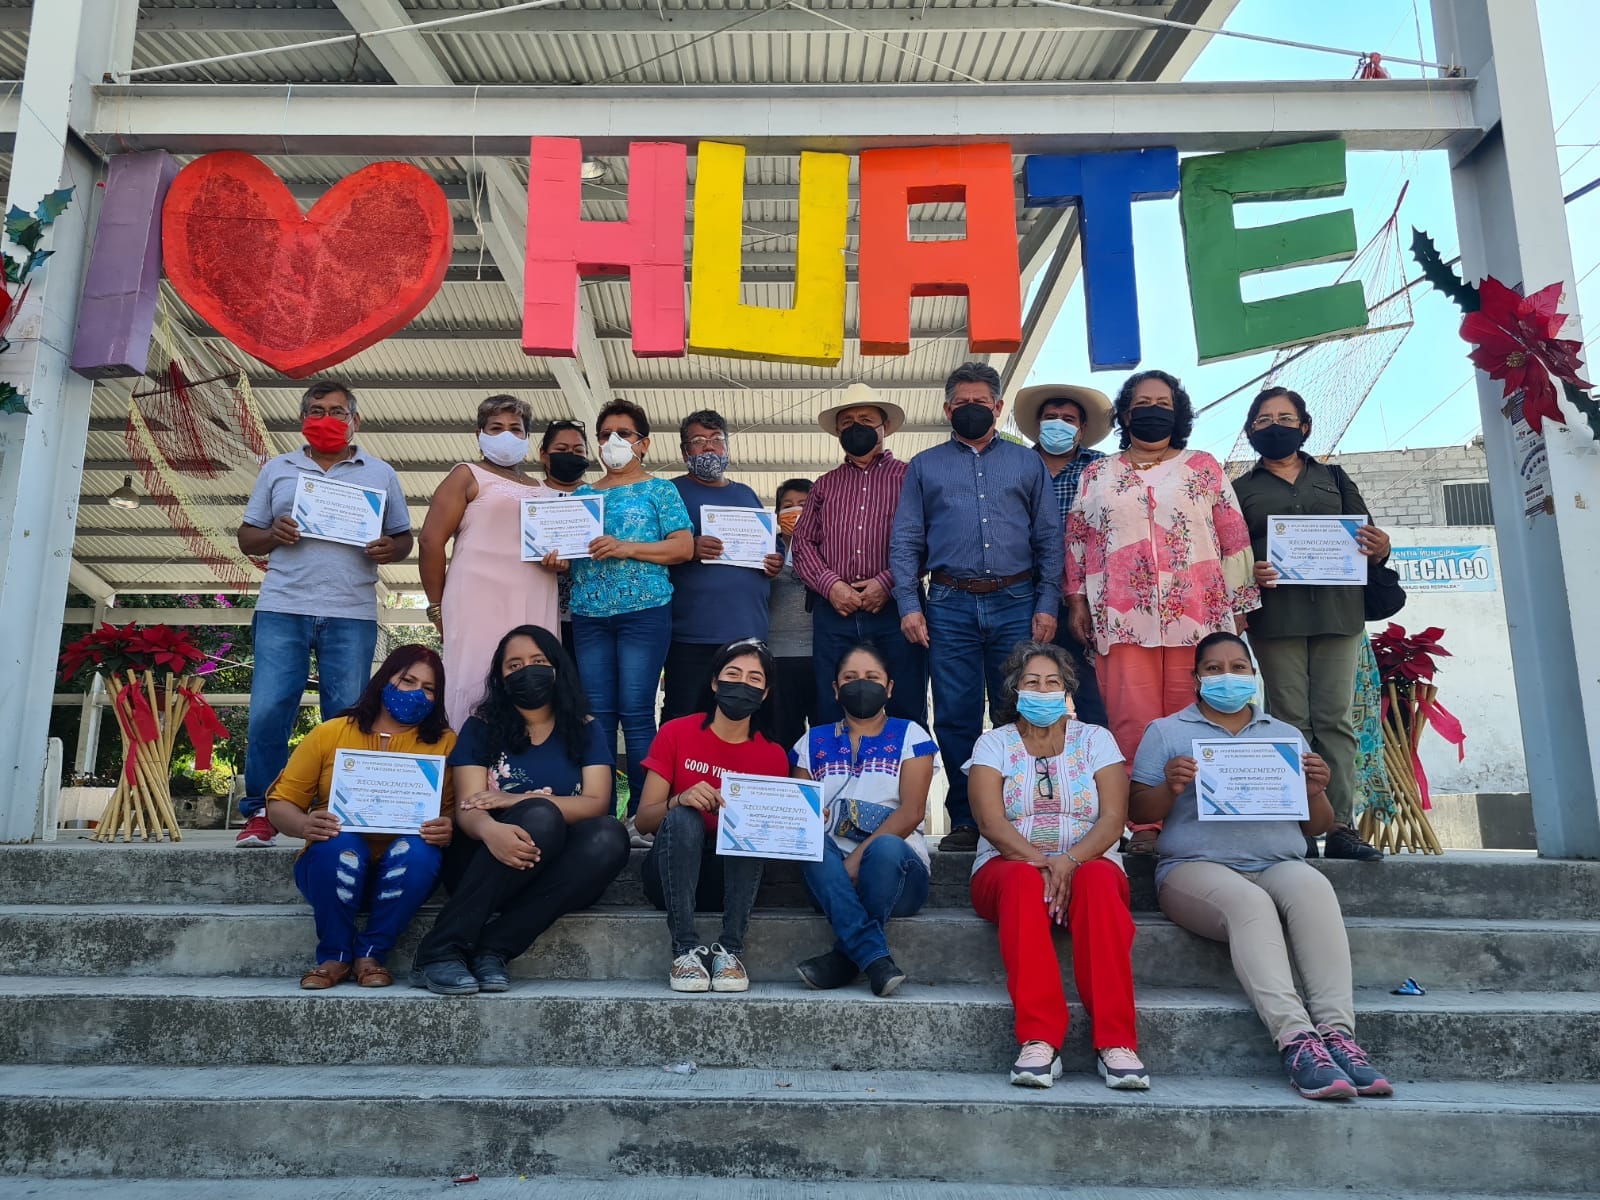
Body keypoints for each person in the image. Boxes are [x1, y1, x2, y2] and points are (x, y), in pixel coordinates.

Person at [1129, 632, 1393, 1101]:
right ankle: (1296, 1041)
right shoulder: (1167, 732)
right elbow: (1137, 809)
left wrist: (1317, 788)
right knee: (1250, 905)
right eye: (1213, 669)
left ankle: (1339, 1037)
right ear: (1195, 679)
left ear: (1254, 675)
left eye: (1238, 667)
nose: (1227, 677)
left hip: (1277, 860)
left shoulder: (1284, 735)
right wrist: (1169, 788)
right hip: (1196, 867)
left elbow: (1317, 826)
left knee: (1314, 890)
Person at [1065, 369, 1259, 852]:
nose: (1154, 410)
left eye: (1164, 403)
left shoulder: (1205, 467)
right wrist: (1076, 602)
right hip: (1121, 616)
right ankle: (1145, 827)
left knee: (1196, 716)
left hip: (1200, 614)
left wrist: (1239, 609)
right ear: (1126, 414)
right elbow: (1075, 542)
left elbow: (1234, 539)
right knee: (1133, 722)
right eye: (1143, 402)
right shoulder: (1097, 473)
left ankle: (1203, 819)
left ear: (1179, 412)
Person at [890, 362, 1063, 851]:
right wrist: (910, 603)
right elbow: (905, 541)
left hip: (1017, 600)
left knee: (1019, 709)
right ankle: (967, 818)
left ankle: (1019, 811)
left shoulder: (1027, 464)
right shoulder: (924, 466)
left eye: (980, 403)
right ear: (947, 409)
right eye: (961, 404)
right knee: (955, 713)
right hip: (948, 602)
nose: (970, 410)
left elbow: (1049, 538)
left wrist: (1047, 601)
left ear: (998, 408)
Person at [234, 380, 413, 848]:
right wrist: (274, 532)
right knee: (270, 712)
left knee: (348, 716)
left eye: (337, 411)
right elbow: (247, 538)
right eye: (317, 410)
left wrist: (387, 547)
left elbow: (404, 538)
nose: (326, 419)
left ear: (356, 419)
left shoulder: (380, 472)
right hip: (282, 606)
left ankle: (338, 812)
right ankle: (261, 811)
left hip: (351, 610)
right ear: (302, 419)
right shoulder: (278, 468)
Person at [411, 625, 629, 995]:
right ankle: (440, 950)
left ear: (557, 668)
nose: (526, 670)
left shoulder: (584, 728)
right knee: (540, 817)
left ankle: (494, 948)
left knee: (611, 837)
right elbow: (469, 806)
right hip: (486, 858)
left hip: (555, 868)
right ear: (500, 677)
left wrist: (515, 799)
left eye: (538, 661)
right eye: (514, 665)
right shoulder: (481, 727)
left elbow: (597, 804)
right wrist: (490, 831)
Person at [966, 641, 1146, 1090]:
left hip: (1088, 862)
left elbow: (1112, 819)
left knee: (1101, 881)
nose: (1043, 690)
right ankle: (1039, 1039)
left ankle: (1116, 1043)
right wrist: (1043, 863)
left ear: (1067, 689)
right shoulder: (994, 743)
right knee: (1025, 882)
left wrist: (1069, 861)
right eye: (1032, 682)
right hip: (1008, 868)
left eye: (1052, 682)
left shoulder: (1095, 739)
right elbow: (990, 821)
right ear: (1015, 690)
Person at [1231, 387, 1388, 862]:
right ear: (1250, 431)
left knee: (1336, 721)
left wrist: (1380, 546)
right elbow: (1232, 554)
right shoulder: (1239, 490)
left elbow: (1369, 538)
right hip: (1275, 618)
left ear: (1304, 426)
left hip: (1339, 613)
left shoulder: (1335, 479)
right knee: (1288, 721)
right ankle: (1298, 827)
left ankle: (1340, 826)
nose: (1274, 425)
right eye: (1262, 419)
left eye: (1285, 417)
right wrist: (1253, 567)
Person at [264, 644, 456, 989]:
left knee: (421, 850)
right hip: (329, 870)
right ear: (384, 681)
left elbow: (456, 811)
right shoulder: (330, 733)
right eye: (407, 681)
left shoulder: (444, 743)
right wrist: (305, 824)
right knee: (339, 842)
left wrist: (449, 827)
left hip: (403, 877)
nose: (417, 693)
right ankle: (334, 957)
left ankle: (370, 953)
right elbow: (281, 804)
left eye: (429, 688)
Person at [564, 399, 694, 837]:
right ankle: (599, 811)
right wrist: (553, 558)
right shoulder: (580, 496)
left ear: (645, 444)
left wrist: (626, 547)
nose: (613, 442)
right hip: (588, 614)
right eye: (605, 435)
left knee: (637, 712)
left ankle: (644, 814)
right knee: (598, 713)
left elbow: (682, 548)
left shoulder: (661, 491)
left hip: (645, 612)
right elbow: (566, 554)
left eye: (624, 434)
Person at [634, 639, 789, 993]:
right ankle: (684, 950)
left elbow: (775, 837)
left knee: (745, 826)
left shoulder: (773, 756)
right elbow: (644, 822)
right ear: (715, 682)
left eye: (754, 679)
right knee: (685, 816)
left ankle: (731, 950)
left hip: (733, 881)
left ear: (765, 694)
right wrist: (679, 800)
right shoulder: (675, 733)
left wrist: (802, 818)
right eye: (733, 674)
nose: (742, 685)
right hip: (671, 874)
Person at [790, 643, 937, 997]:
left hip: (898, 873)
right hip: (830, 877)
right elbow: (800, 813)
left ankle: (845, 957)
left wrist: (854, 861)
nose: (862, 685)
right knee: (808, 843)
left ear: (889, 688)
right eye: (850, 678)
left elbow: (912, 812)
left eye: (872, 678)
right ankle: (873, 959)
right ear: (835, 689)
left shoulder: (912, 736)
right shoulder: (811, 742)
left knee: (887, 847)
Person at [419, 394, 562, 730]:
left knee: (534, 677)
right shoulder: (466, 475)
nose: (506, 435)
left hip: (536, 594)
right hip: (478, 598)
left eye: (516, 429)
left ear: (528, 438)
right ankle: (466, 768)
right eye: (496, 428)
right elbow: (430, 541)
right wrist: (437, 606)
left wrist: (562, 561)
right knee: (475, 676)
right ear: (479, 434)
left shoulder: (544, 487)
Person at [794, 382, 928, 728]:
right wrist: (832, 586)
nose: (857, 427)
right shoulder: (824, 485)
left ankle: (905, 780)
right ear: (838, 432)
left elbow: (929, 540)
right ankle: (834, 778)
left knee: (905, 701)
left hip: (898, 607)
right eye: (848, 421)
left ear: (884, 427)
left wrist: (888, 582)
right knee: (831, 701)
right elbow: (804, 543)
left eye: (866, 419)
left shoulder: (912, 476)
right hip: (833, 610)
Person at [662, 410, 785, 724]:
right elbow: (652, 548)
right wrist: (689, 547)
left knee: (746, 723)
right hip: (690, 634)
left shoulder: (745, 494)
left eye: (717, 440)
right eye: (699, 441)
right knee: (684, 719)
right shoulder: (668, 493)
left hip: (746, 632)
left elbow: (773, 545)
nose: (709, 448)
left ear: (727, 447)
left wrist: (775, 560)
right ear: (684, 451)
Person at [1012, 382, 1112, 729]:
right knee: (1025, 685)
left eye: (1068, 418)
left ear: (1082, 428)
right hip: (1024, 593)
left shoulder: (1102, 469)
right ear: (1039, 424)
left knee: (1092, 692)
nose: (1059, 423)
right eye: (1051, 417)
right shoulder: (1014, 466)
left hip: (1086, 598)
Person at [768, 477, 819, 750]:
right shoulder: (763, 549)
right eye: (787, 505)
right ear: (777, 515)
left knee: (822, 739)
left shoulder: (830, 548)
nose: (795, 510)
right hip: (777, 658)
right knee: (782, 738)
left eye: (803, 504)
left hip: (821, 657)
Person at [536, 418, 592, 660]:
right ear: (544, 455)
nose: (570, 455)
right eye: (561, 450)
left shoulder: (597, 497)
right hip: (535, 611)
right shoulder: (528, 494)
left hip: (585, 618)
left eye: (578, 451)